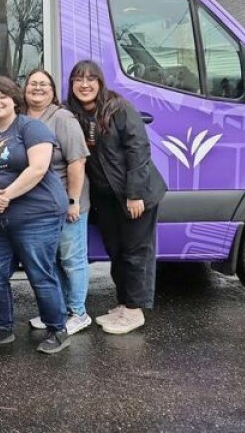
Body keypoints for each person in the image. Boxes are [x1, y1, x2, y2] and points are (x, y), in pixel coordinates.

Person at [0, 76, 71, 354]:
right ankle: (2, 328)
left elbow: (37, 168)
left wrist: (5, 195)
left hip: (36, 214)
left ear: (14, 99)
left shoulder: (31, 128)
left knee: (39, 273)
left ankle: (57, 329)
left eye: (2, 96)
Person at [66, 60, 167, 335]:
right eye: (78, 79)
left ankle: (134, 311)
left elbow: (139, 150)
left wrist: (134, 195)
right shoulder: (73, 114)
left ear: (100, 82)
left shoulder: (118, 108)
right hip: (106, 199)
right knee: (118, 252)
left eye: (90, 79)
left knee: (136, 253)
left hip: (135, 195)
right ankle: (124, 303)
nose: (84, 85)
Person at [21, 68, 93, 336]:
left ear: (52, 91)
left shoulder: (62, 118)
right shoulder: (21, 119)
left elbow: (77, 161)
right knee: (49, 261)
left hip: (67, 204)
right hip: (38, 208)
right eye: (32, 83)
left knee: (72, 260)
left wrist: (73, 201)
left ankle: (78, 313)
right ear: (24, 89)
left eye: (44, 84)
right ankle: (56, 311)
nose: (37, 88)